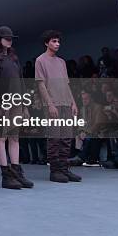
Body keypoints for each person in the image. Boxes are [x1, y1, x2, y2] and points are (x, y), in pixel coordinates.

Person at [0, 26, 34, 189]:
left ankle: (16, 172)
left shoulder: (14, 58)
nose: (9, 40)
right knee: (1, 137)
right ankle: (6, 176)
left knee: (14, 137)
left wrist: (25, 106)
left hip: (17, 102)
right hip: (2, 103)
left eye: (11, 38)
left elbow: (21, 81)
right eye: (6, 38)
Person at [35, 30, 81, 183]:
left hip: (66, 103)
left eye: (58, 42)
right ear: (47, 43)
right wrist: (50, 105)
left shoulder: (61, 62)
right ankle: (55, 171)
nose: (57, 44)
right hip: (53, 105)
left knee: (67, 138)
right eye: (54, 41)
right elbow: (41, 85)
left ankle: (64, 169)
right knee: (54, 138)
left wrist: (73, 102)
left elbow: (67, 84)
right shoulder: (40, 60)